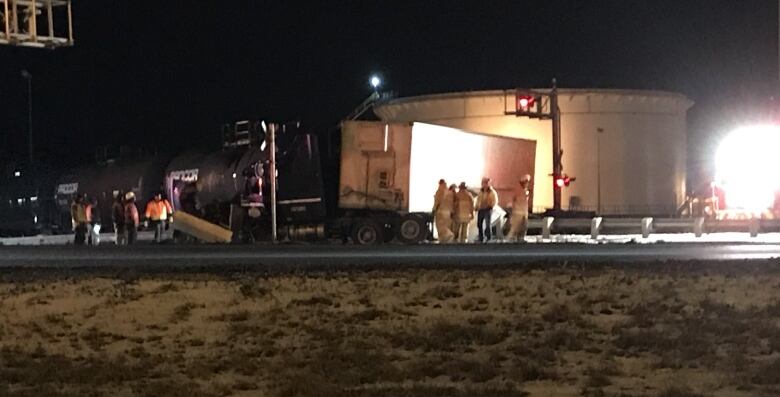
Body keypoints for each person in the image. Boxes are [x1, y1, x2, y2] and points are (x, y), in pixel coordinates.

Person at [507, 175, 531, 243]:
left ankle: (521, 238)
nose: (527, 184)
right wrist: (511, 208)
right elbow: (512, 199)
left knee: (524, 226)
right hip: (517, 212)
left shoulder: (526, 191)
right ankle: (511, 239)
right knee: (515, 227)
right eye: (526, 182)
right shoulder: (517, 190)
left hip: (524, 212)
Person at [475, 177, 498, 243]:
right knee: (479, 224)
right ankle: (481, 237)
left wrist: (490, 205)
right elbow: (478, 200)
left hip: (488, 209)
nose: (484, 185)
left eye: (485, 183)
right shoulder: (481, 192)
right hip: (481, 209)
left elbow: (495, 201)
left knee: (488, 224)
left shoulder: (492, 192)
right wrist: (477, 207)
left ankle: (488, 237)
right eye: (483, 183)